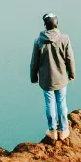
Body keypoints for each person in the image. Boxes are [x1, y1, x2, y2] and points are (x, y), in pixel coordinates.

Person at [28, 12, 76, 140]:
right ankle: (64, 130)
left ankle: (52, 130)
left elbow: (34, 62)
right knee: (62, 103)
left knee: (50, 103)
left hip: (46, 80)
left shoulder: (38, 41)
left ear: (45, 25)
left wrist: (33, 77)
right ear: (57, 24)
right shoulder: (65, 39)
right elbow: (70, 58)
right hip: (61, 78)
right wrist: (71, 74)